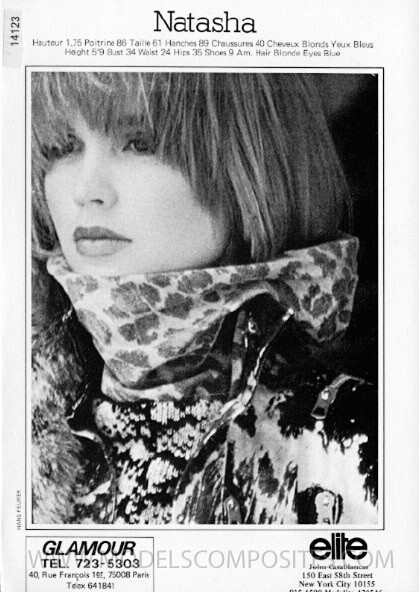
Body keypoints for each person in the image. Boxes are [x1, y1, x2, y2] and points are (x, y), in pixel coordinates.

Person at [31, 72, 377, 525]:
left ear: (251, 161)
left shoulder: (356, 442)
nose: (85, 191)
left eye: (140, 143)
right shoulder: (18, 421)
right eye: (63, 148)